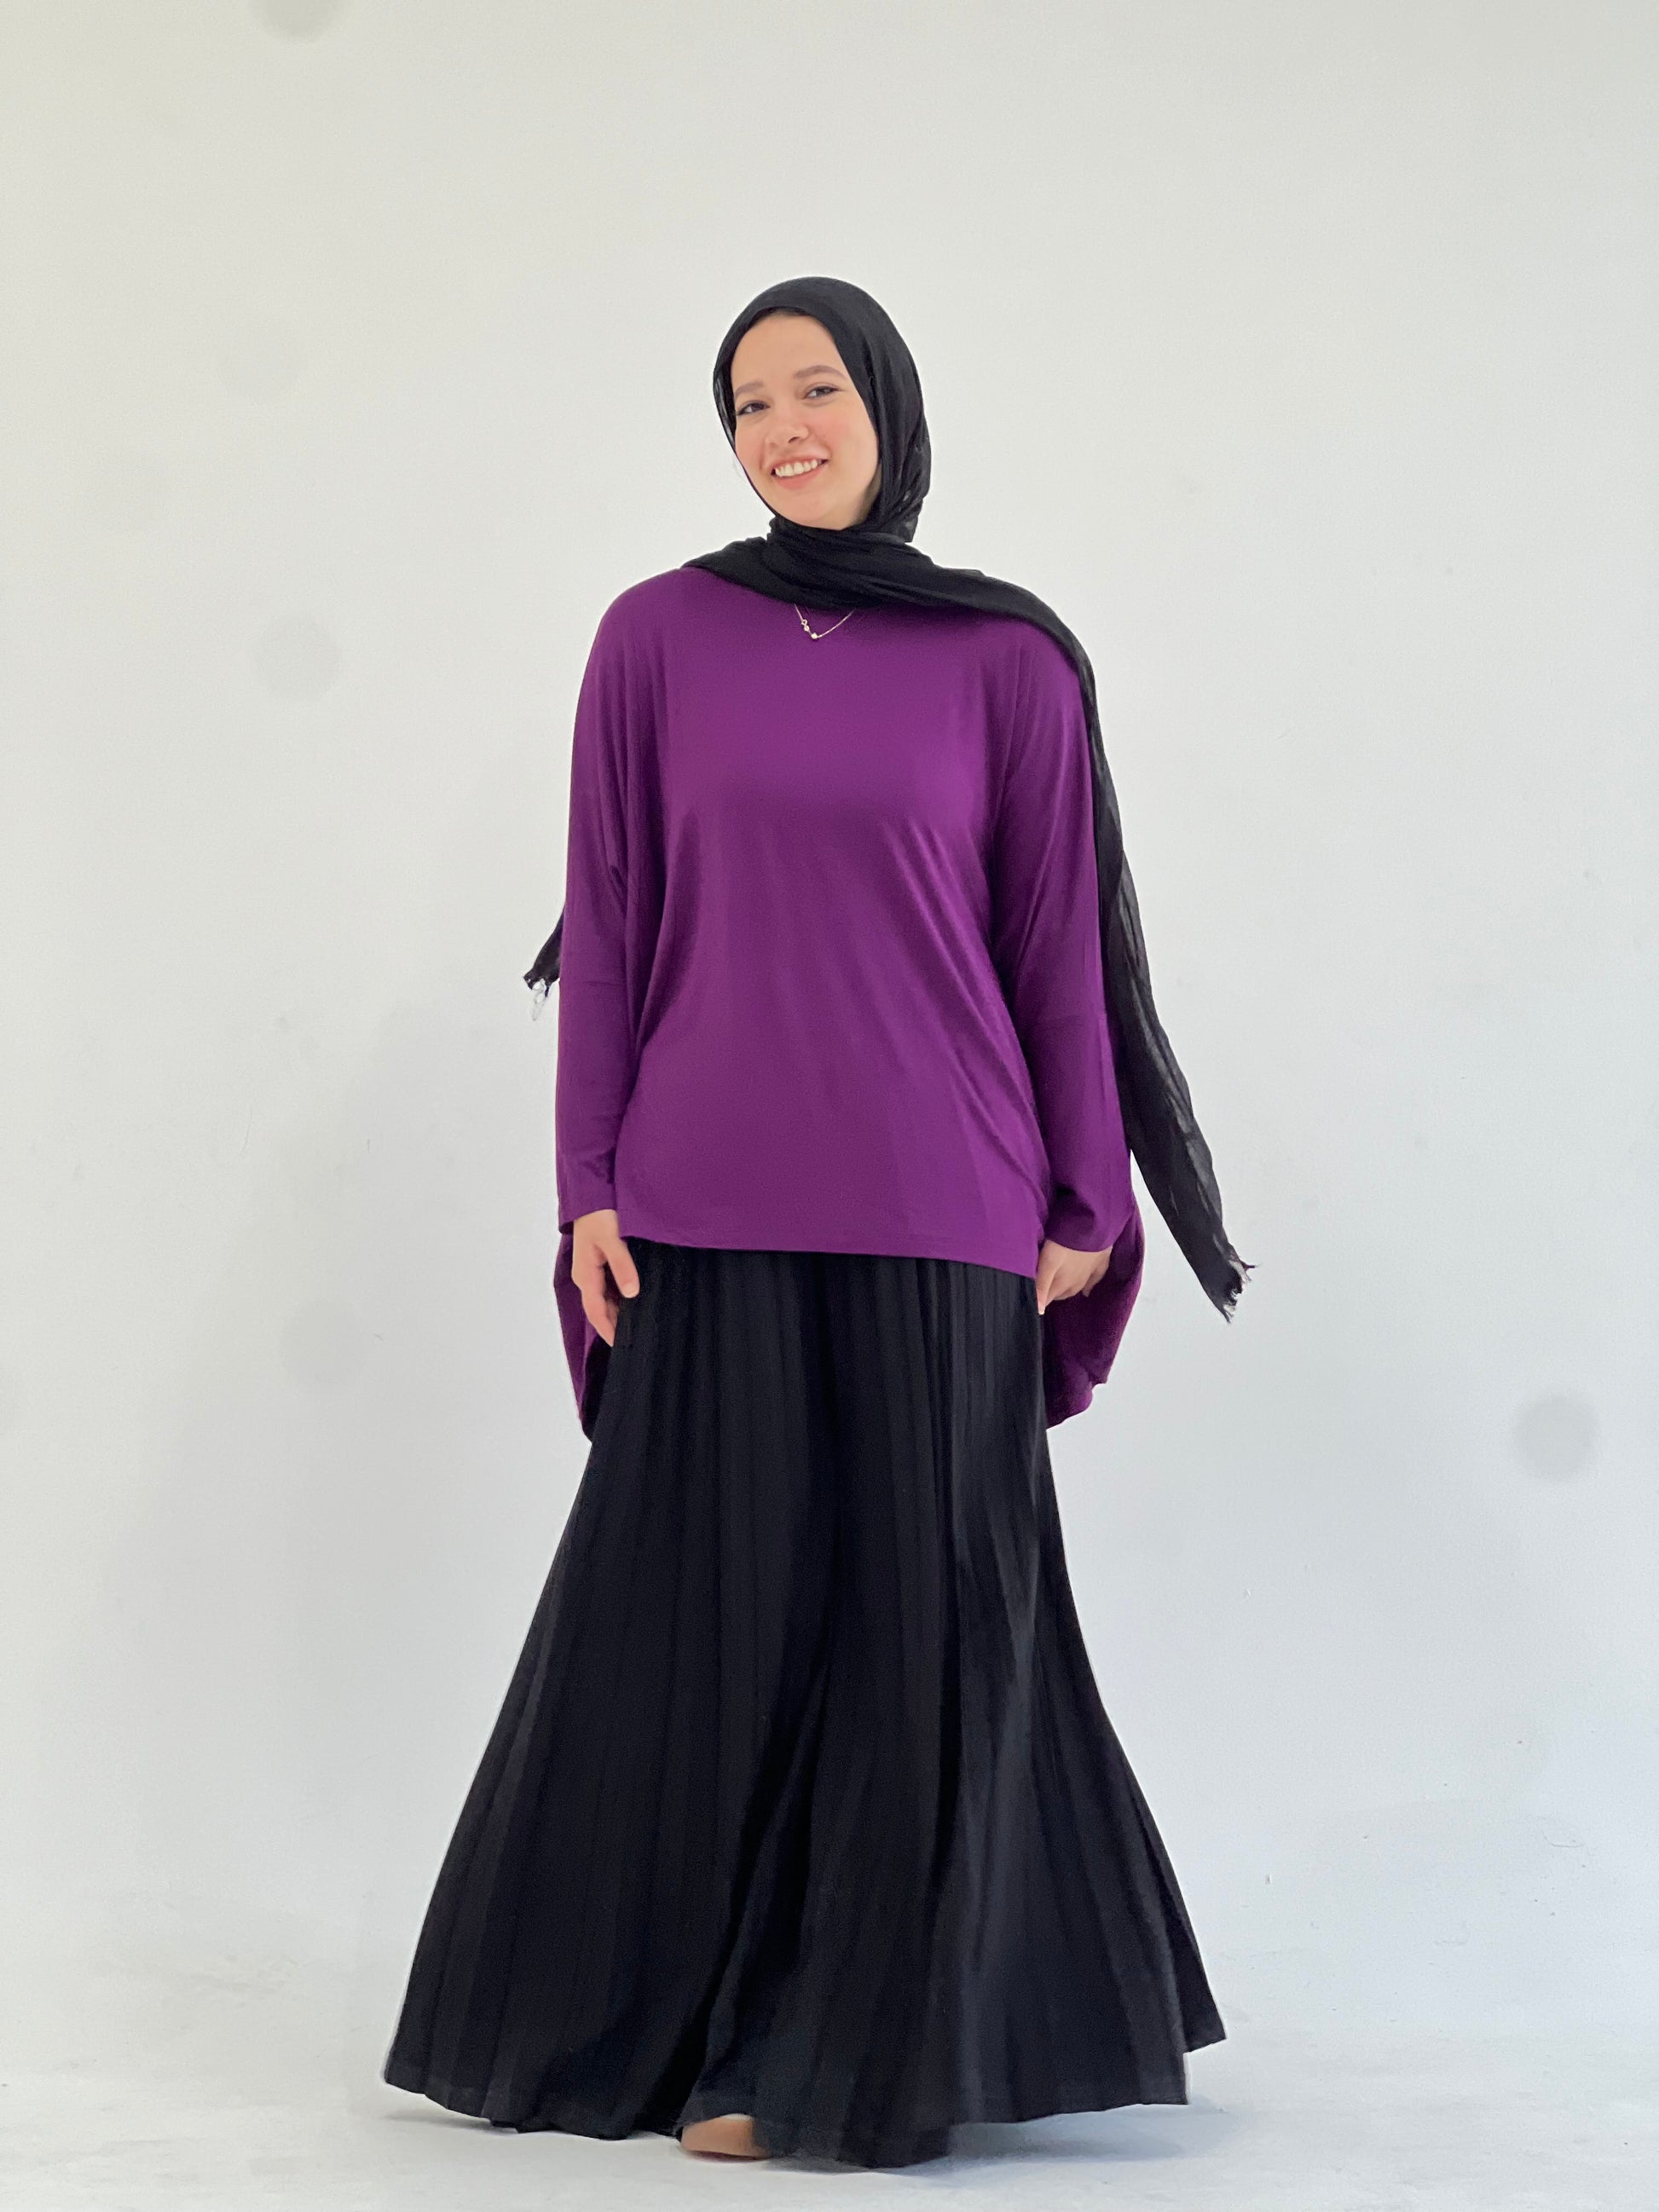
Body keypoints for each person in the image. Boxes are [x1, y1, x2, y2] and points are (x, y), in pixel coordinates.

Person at [381, 275, 1248, 2170]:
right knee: (694, 1625)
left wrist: (1086, 1190)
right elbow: (610, 913)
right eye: (748, 401)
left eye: (817, 389)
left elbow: (1053, 942)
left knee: (921, 1631)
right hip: (701, 1193)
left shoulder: (1007, 661)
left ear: (889, 409)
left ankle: (849, 2047)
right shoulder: (655, 636)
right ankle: (667, 2022)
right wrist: (586, 1182)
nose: (784, 428)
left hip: (945, 1195)